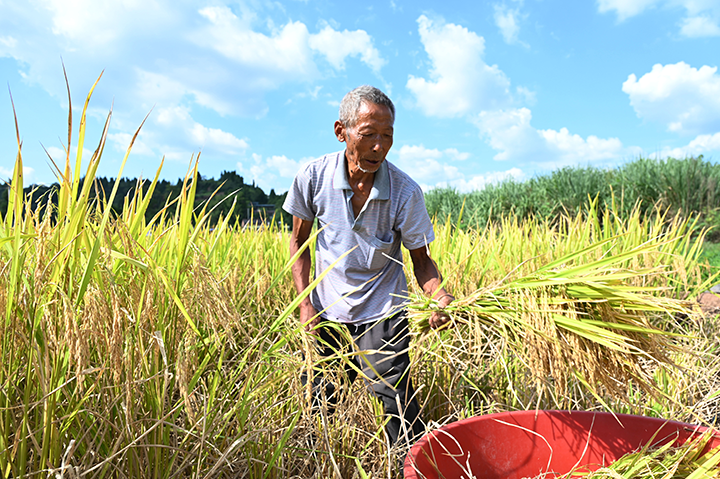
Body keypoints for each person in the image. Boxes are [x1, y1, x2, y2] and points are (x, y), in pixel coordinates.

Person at [283, 85, 454, 449]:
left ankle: (409, 464)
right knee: (319, 399)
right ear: (341, 131)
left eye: (387, 136)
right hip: (327, 307)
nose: (379, 146)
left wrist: (439, 296)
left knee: (396, 402)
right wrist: (305, 304)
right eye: (369, 134)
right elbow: (298, 242)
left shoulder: (405, 192)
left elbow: (421, 262)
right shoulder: (312, 177)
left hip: (383, 308)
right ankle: (317, 462)